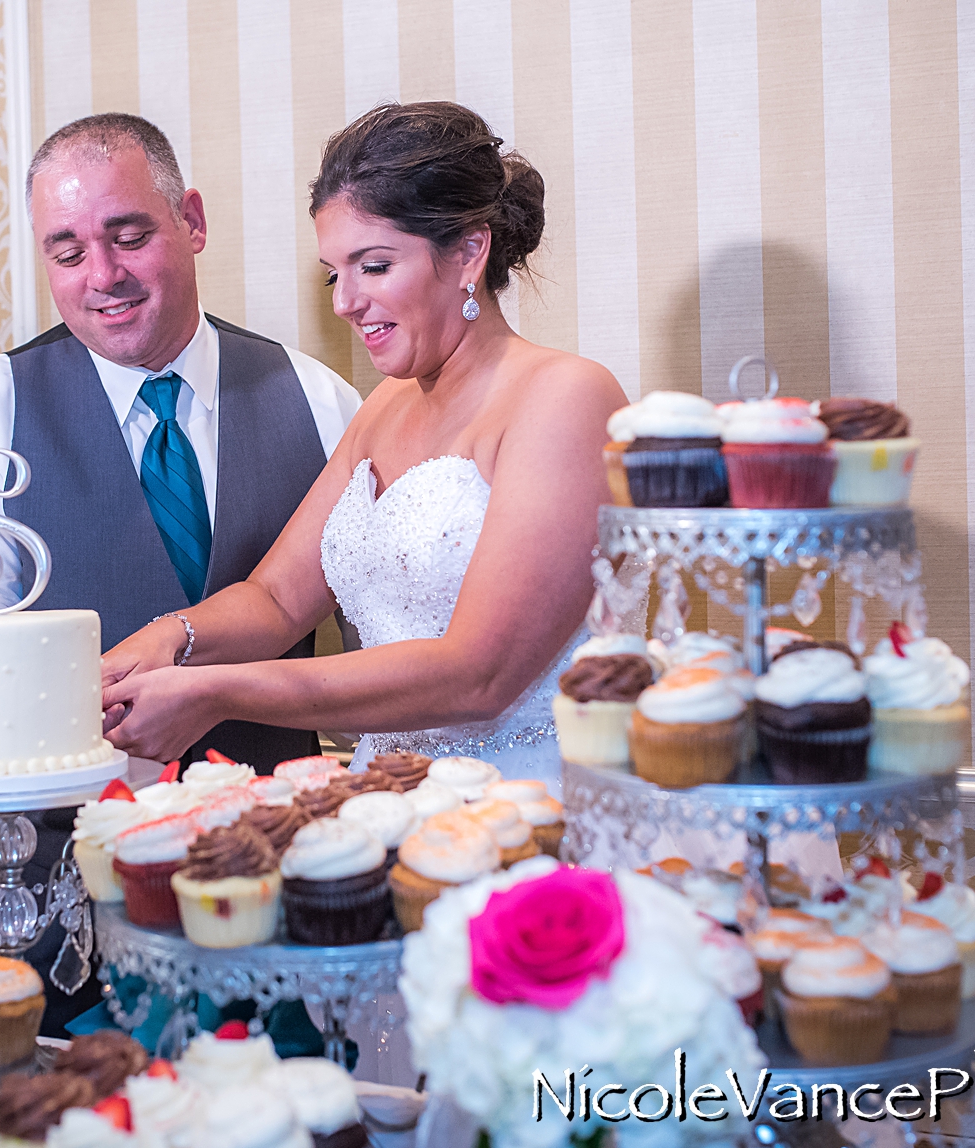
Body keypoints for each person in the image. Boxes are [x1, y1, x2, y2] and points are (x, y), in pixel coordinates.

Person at [0, 113, 360, 1033]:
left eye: (128, 235)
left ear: (192, 219)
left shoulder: (315, 399)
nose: (100, 276)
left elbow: (386, 657)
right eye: (66, 251)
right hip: (53, 912)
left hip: (276, 907)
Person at [100, 102, 626, 790]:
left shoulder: (567, 398)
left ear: (469, 251)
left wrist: (221, 691)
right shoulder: (385, 406)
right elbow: (279, 600)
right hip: (391, 798)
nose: (345, 301)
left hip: (535, 803)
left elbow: (481, 675)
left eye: (373, 266)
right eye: (333, 273)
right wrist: (175, 635)